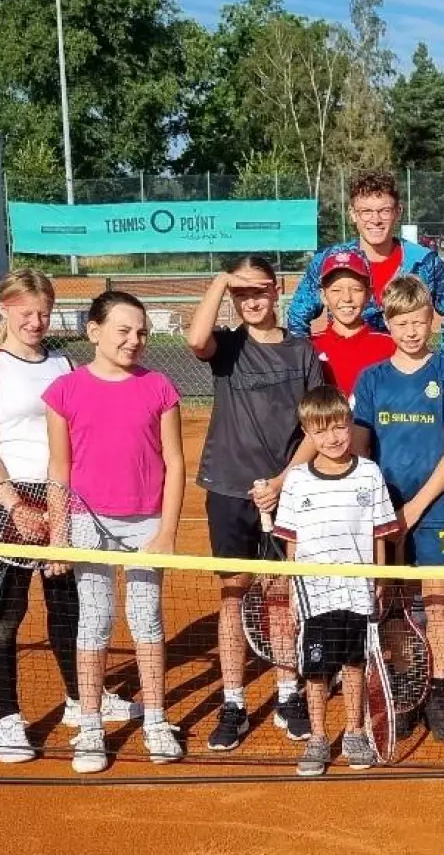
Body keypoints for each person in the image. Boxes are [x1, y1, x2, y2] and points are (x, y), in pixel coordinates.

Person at [0, 270, 139, 763]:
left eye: (44, 312)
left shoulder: (63, 364)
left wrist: (61, 507)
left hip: (61, 498)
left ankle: (80, 700)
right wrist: (15, 506)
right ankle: (8, 720)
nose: (36, 321)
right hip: (7, 501)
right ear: (5, 309)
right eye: (26, 311)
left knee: (68, 608)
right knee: (8, 613)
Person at [186, 256, 324, 752]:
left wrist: (286, 480)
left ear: (276, 289)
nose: (252, 301)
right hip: (227, 489)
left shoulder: (302, 351)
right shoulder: (227, 345)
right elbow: (195, 340)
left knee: (279, 598)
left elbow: (316, 425)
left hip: (285, 493)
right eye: (242, 294)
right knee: (233, 596)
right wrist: (222, 280)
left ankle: (288, 694)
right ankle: (233, 703)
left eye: (259, 291)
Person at [44, 292, 185, 773]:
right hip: (87, 523)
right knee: (95, 622)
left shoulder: (160, 386)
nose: (134, 340)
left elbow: (175, 461)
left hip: (146, 522)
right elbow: (59, 468)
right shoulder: (65, 391)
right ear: (94, 331)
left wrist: (167, 529)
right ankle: (89, 727)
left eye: (141, 332)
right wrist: (60, 535)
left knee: (147, 622)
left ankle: (156, 722)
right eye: (123, 330)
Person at [350, 276, 444, 743]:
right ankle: (404, 691)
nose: (411, 331)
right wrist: (384, 513)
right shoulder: (372, 380)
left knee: (438, 603)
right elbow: (360, 452)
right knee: (390, 606)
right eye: (402, 323)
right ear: (387, 323)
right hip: (384, 516)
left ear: (433, 321)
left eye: (420, 322)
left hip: (436, 512)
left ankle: (438, 698)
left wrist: (418, 506)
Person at [275, 386, 401, 776]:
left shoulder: (369, 473)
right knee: (315, 671)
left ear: (350, 425)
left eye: (339, 427)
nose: (332, 438)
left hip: (358, 592)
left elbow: (380, 533)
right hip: (315, 595)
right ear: (307, 436)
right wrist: (294, 589)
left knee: (353, 664)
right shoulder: (297, 481)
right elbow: (291, 540)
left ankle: (354, 732)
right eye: (321, 431)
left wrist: (379, 579)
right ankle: (316, 737)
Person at [287, 170, 444, 357]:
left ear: (398, 211)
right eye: (366, 211)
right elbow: (297, 317)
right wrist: (307, 367)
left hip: (405, 375)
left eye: (384, 211)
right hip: (344, 373)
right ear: (352, 214)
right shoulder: (330, 260)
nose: (375, 220)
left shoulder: (424, 262)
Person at [308, 249, 397, 398]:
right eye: (336, 290)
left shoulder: (390, 345)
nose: (347, 298)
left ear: (369, 294)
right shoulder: (309, 347)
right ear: (323, 296)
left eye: (356, 289)